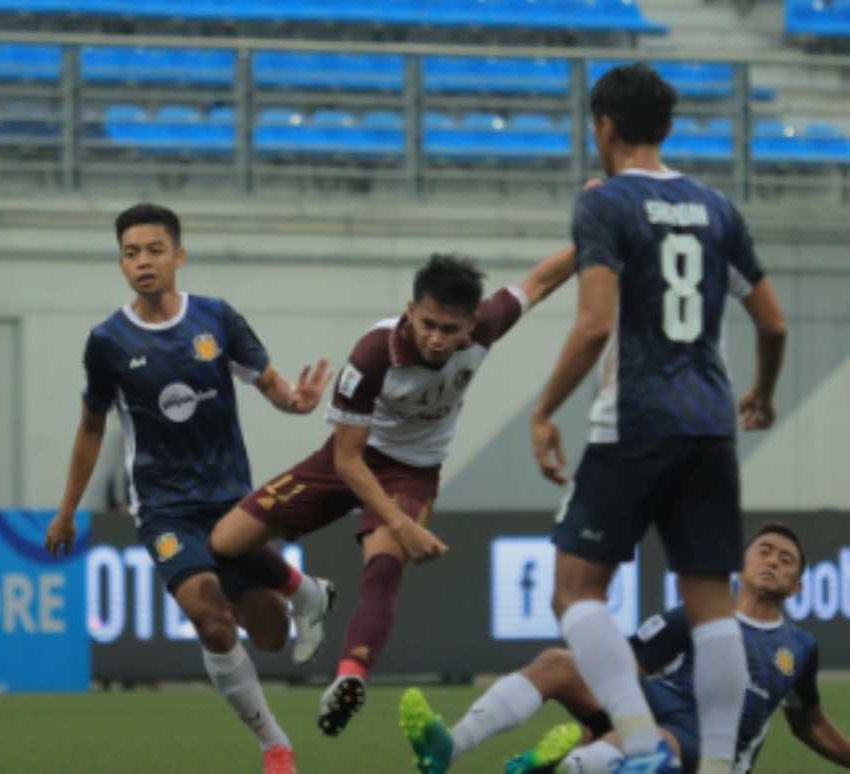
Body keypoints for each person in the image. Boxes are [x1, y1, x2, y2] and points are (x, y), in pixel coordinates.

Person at [527, 63, 788, 773]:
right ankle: (716, 767)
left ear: (603, 127)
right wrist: (763, 393)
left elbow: (593, 325)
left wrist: (544, 410)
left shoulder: (605, 203)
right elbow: (773, 322)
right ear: (667, 128)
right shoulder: (717, 207)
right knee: (712, 606)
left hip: (636, 421)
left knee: (574, 592)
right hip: (711, 424)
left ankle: (642, 745)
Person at [210, 247, 578, 736]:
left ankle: (349, 677)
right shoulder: (373, 354)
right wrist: (403, 525)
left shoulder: (489, 324)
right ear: (410, 311)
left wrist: (597, 232)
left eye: (450, 330)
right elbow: (347, 460)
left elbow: (541, 282)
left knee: (383, 569)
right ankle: (305, 593)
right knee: (225, 542)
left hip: (413, 473)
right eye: (428, 324)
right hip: (347, 459)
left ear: (471, 325)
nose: (436, 338)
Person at [43, 203, 333, 774]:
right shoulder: (107, 341)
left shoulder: (216, 318)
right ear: (121, 264)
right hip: (164, 508)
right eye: (131, 253)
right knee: (208, 615)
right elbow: (91, 427)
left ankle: (303, 593)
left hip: (230, 499)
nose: (143, 262)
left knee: (270, 635)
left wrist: (295, 402)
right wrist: (67, 509)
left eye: (154, 250)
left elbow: (269, 381)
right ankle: (274, 745)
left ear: (178, 255)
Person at [399, 523, 850, 774]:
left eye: (786, 560)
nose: (773, 561)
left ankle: (571, 763)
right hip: (661, 708)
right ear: (743, 564)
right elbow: (624, 668)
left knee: (632, 751)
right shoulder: (694, 612)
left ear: (797, 586)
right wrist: (597, 722)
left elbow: (810, 725)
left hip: (710, 749)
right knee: (558, 663)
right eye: (765, 551)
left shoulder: (799, 647)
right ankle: (449, 746)